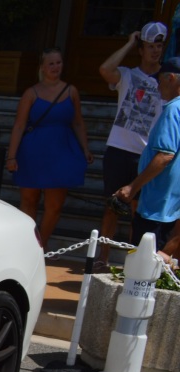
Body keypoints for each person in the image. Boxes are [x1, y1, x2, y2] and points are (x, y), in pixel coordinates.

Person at [6, 49, 93, 250]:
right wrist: (11, 156)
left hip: (61, 150)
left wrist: (85, 148)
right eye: (51, 63)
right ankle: (27, 244)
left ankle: (41, 246)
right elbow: (19, 125)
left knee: (54, 205)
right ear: (43, 67)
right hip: (33, 150)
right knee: (29, 200)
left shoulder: (71, 91)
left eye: (59, 63)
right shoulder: (31, 93)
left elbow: (78, 122)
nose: (55, 67)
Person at [99, 22, 167, 266]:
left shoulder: (167, 78)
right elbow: (106, 69)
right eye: (150, 46)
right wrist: (129, 42)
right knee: (112, 207)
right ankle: (102, 259)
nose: (155, 51)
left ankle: (133, 262)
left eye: (159, 46)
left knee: (138, 212)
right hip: (119, 149)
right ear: (142, 48)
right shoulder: (128, 75)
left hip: (146, 153)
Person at [114, 57, 180, 248]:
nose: (158, 88)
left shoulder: (173, 110)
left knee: (145, 264)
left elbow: (164, 156)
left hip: (158, 204)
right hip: (169, 203)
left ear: (171, 78)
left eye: (159, 82)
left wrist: (132, 187)